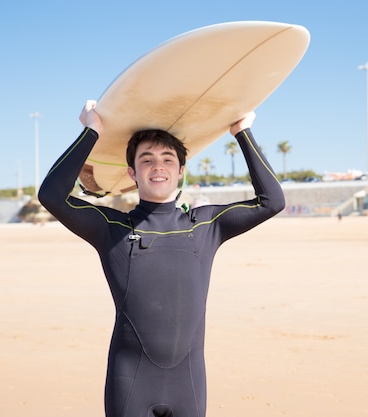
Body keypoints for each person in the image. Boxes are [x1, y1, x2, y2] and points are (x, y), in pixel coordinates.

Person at [38, 100, 285, 417]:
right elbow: (51, 195)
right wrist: (92, 130)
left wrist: (242, 132)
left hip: (189, 383)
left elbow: (272, 201)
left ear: (181, 171)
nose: (158, 166)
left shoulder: (206, 225)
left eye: (168, 159)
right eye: (147, 159)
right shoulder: (112, 229)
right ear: (132, 172)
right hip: (130, 382)